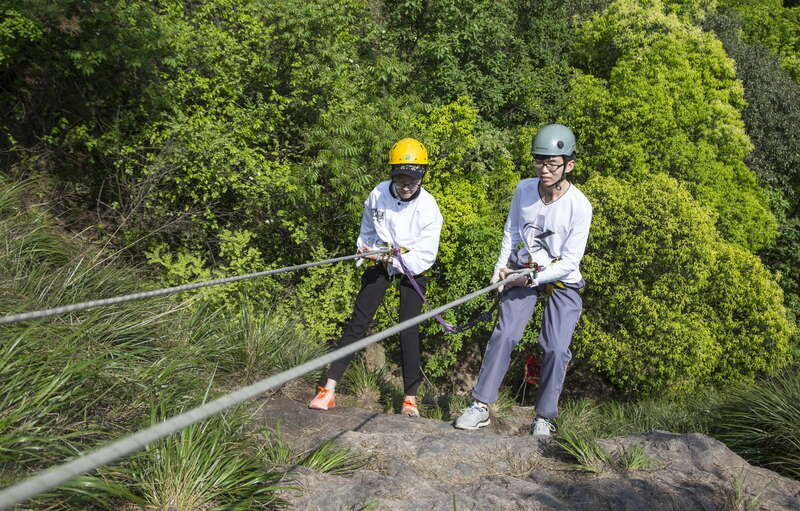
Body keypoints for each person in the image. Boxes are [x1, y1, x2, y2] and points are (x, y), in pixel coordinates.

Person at [454, 124, 592, 436]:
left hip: (560, 277)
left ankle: (544, 416)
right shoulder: (524, 190)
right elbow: (511, 232)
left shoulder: (580, 206)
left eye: (552, 163)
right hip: (524, 265)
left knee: (556, 346)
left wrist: (531, 278)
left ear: (568, 165)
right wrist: (500, 270)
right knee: (505, 334)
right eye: (539, 161)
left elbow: (570, 261)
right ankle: (480, 405)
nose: (544, 169)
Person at [309, 138, 444, 417]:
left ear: (422, 176)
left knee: (409, 327)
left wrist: (393, 258)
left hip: (411, 265)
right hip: (380, 259)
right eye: (401, 179)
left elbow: (426, 256)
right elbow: (367, 230)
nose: (406, 186)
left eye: (412, 181)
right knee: (359, 320)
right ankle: (329, 388)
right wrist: (366, 250)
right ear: (392, 174)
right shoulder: (378, 194)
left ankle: (410, 399)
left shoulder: (429, 208)